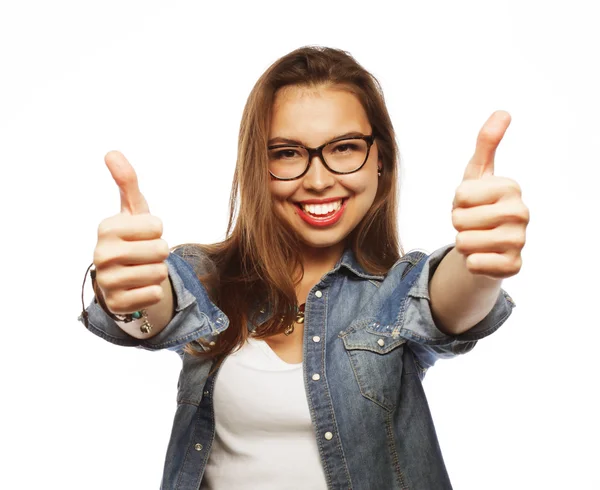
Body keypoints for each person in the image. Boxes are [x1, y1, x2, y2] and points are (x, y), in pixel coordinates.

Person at [79, 46, 529, 490]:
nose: (317, 180)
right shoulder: (209, 277)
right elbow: (155, 308)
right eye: (287, 153)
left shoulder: (396, 291)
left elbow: (448, 301)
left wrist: (480, 264)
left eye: (345, 147)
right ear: (259, 165)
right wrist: (128, 296)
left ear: (381, 160)